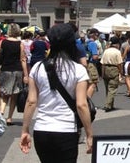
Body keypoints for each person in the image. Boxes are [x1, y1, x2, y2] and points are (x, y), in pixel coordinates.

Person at [20, 23, 94, 162]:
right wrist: (89, 134)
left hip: (42, 129)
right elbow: (81, 105)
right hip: (66, 130)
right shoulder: (78, 70)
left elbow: (31, 101)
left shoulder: (37, 67)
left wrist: (25, 130)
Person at [0, 23, 29, 126]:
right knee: (14, 95)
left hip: (5, 70)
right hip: (17, 71)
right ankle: (9, 118)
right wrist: (26, 75)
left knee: (4, 94)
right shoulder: (20, 44)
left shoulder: (2, 42)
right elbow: (23, 60)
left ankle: (1, 113)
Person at [100, 36, 123, 112]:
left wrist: (102, 73)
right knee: (112, 88)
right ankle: (108, 105)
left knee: (108, 88)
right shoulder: (117, 52)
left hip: (106, 68)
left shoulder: (106, 51)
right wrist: (121, 72)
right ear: (117, 44)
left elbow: (102, 63)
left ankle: (110, 104)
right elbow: (119, 63)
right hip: (114, 68)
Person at [84, 32, 100, 98]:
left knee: (87, 83)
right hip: (91, 64)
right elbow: (94, 56)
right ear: (94, 36)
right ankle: (88, 102)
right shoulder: (93, 44)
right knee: (93, 83)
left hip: (84, 63)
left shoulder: (85, 43)